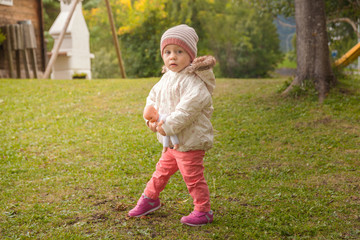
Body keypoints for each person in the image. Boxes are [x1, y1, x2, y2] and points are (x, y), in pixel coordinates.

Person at [128, 24, 216, 226]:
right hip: (170, 142)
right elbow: (153, 100)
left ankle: (203, 210)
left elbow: (186, 111)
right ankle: (150, 198)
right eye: (167, 52)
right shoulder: (166, 78)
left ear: (191, 56)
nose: (172, 57)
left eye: (179, 52)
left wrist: (166, 126)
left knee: (193, 178)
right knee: (161, 172)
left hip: (190, 141)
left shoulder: (195, 83)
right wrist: (150, 119)